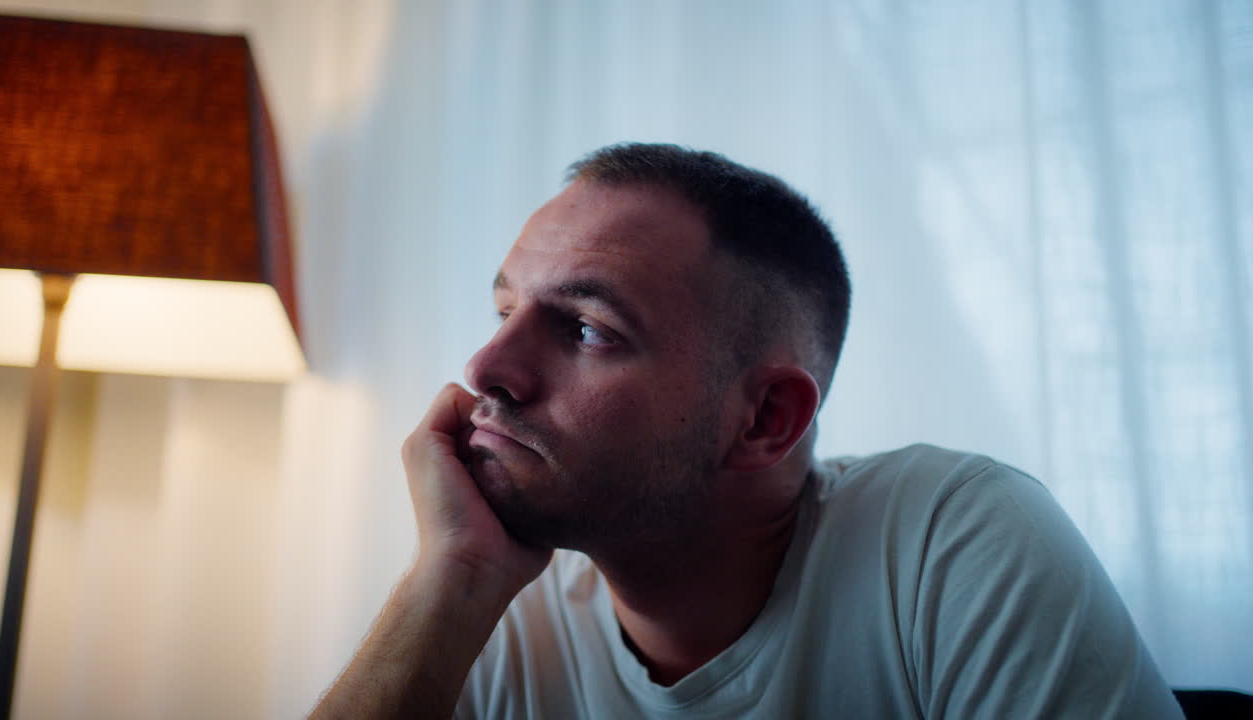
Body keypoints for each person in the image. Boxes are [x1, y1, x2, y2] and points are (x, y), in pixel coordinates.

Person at [310, 144, 1183, 718]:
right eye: (505, 311)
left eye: (586, 329)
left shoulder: (948, 545)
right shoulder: (493, 616)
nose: (486, 366)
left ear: (767, 419)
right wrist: (451, 580)